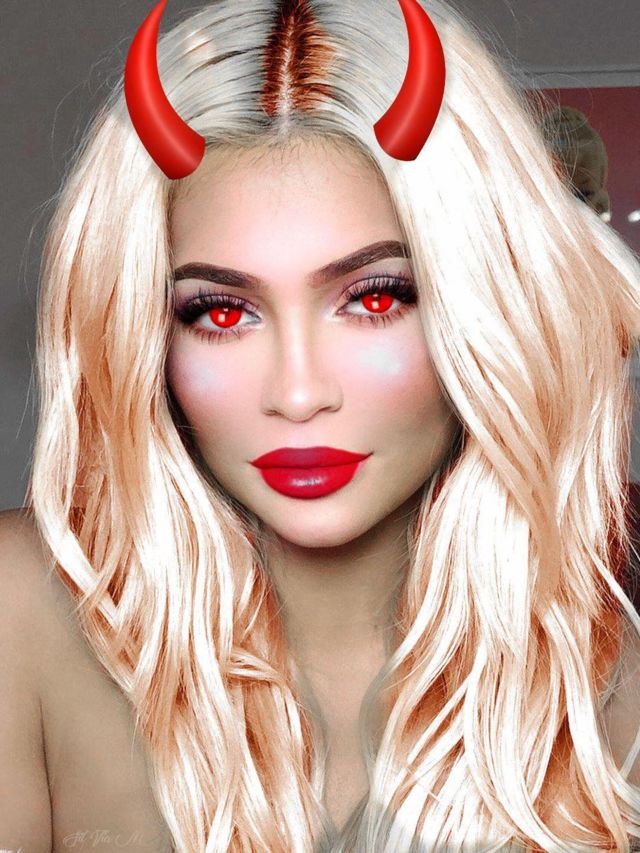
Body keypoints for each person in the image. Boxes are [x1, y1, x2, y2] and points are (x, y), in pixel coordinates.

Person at [3, 0, 640, 850]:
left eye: (374, 299)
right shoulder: (23, 612)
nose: (298, 393)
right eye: (221, 312)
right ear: (148, 335)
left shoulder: (608, 679)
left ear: (484, 307)